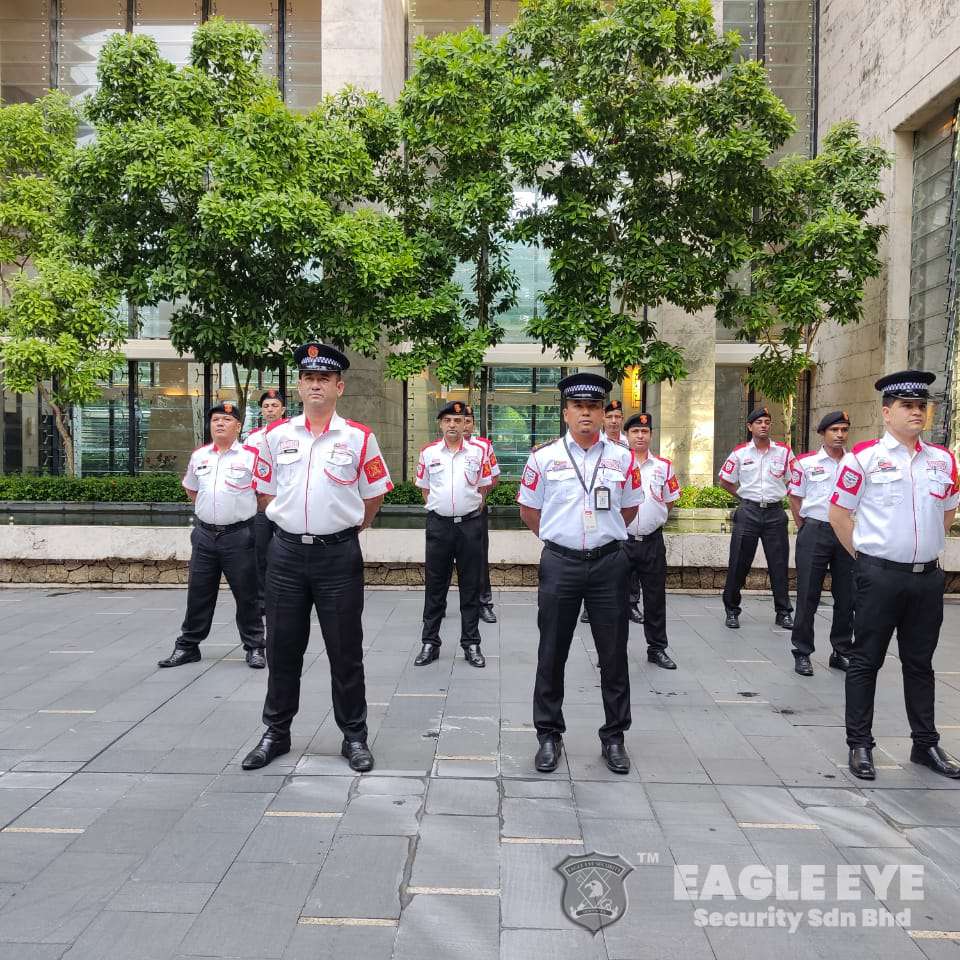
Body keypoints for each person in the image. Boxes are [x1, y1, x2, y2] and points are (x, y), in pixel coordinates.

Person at [241, 343, 393, 773]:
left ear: (338, 387)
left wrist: (343, 528)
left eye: (323, 379)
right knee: (283, 646)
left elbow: (374, 495)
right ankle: (276, 732)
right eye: (308, 379)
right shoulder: (275, 436)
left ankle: (354, 736)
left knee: (345, 650)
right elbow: (265, 490)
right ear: (300, 387)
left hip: (338, 557)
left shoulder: (360, 437)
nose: (315, 386)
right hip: (286, 554)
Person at [829, 370, 960, 781]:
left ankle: (925, 744)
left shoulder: (943, 459)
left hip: (926, 578)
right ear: (887, 412)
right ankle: (861, 745)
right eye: (907, 406)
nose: (916, 412)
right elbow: (838, 514)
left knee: (920, 664)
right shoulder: (864, 457)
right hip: (879, 576)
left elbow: (948, 510)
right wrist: (867, 559)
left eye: (921, 406)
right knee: (865, 660)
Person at [517, 373, 643, 775]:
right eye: (577, 406)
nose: (585, 412)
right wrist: (564, 540)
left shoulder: (622, 458)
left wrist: (600, 538)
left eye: (593, 406)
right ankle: (548, 735)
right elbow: (530, 512)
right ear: (566, 412)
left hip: (609, 564)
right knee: (552, 651)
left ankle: (614, 736)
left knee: (614, 653)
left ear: (604, 411)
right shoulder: (544, 458)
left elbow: (630, 508)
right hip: (561, 563)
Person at [158, 402, 265, 669]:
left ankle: (255, 647)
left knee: (247, 594)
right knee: (198, 593)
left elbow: (264, 494)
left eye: (226, 420)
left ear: (238, 426)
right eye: (215, 419)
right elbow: (192, 489)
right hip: (205, 535)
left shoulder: (251, 457)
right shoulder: (200, 456)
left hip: (238, 536)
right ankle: (188, 646)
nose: (219, 424)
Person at [414, 401, 493, 668]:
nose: (452, 425)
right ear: (440, 424)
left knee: (471, 586)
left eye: (458, 421)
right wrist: (444, 508)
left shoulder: (478, 453)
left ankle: (471, 643)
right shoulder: (428, 453)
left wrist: (466, 507)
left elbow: (484, 487)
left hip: (469, 526)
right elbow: (425, 489)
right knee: (435, 586)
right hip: (439, 526)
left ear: (465, 425)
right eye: (448, 420)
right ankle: (429, 642)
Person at [787, 410, 854, 677]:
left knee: (847, 596)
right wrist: (807, 528)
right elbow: (795, 498)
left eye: (844, 430)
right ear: (822, 434)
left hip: (847, 533)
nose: (839, 435)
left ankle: (841, 651)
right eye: (834, 430)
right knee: (807, 595)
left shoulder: (856, 463)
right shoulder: (805, 463)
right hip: (815, 530)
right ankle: (802, 652)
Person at [718, 407, 795, 630]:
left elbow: (794, 480)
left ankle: (783, 612)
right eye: (759, 422)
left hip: (774, 512)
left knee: (779, 565)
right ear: (750, 427)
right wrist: (742, 495)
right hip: (748, 512)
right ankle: (732, 610)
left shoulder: (783, 452)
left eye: (767, 422)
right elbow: (725, 480)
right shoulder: (740, 453)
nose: (764, 425)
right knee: (738, 563)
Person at [623, 412, 681, 669]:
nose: (640, 436)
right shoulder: (616, 464)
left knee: (656, 598)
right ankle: (613, 653)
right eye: (635, 431)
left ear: (651, 435)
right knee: (614, 600)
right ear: (627, 435)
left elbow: (670, 500)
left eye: (644, 432)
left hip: (652, 542)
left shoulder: (663, 467)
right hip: (621, 542)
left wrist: (652, 520)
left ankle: (657, 648)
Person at [581, 399, 629, 625]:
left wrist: (615, 525)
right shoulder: (558, 452)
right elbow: (529, 511)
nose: (613, 421)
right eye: (609, 416)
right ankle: (586, 608)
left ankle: (631, 602)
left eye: (616, 417)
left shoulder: (625, 452)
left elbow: (632, 504)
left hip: (611, 535)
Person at [246, 389, 287, 617]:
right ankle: (262, 599)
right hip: (261, 503)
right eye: (266, 406)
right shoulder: (253, 437)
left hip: (285, 503)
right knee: (260, 551)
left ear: (283, 409)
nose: (270, 409)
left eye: (274, 405)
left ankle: (284, 596)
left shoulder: (293, 433)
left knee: (284, 551)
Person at [464, 404, 501, 624]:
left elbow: (493, 477)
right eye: (461, 420)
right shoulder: (438, 448)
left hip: (476, 511)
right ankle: (438, 606)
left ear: (473, 424)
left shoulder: (483, 446)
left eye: (468, 421)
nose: (464, 425)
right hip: (447, 515)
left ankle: (484, 603)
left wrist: (481, 497)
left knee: (479, 557)